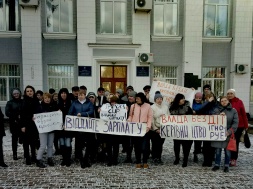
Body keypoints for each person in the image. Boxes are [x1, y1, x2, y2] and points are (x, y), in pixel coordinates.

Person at [211, 96, 238, 172]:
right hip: (218, 134)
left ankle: (226, 165)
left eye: (225, 100)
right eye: (222, 101)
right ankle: (217, 165)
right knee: (218, 150)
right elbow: (211, 119)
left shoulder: (233, 111)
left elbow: (235, 123)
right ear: (220, 102)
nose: (224, 102)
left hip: (227, 133)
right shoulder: (216, 110)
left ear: (228, 101)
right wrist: (218, 116)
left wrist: (229, 131)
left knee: (227, 151)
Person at [68, 90, 94, 168]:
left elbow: (91, 111)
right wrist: (74, 116)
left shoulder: (89, 103)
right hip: (78, 127)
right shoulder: (74, 103)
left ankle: (86, 158)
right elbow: (70, 113)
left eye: (82, 95)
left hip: (87, 126)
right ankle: (81, 160)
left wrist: (82, 114)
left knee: (89, 145)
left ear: (85, 95)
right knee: (79, 145)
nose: (80, 96)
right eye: (79, 95)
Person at [128, 92, 153, 169]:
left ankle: (145, 162)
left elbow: (150, 117)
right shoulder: (133, 106)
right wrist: (128, 122)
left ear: (142, 98)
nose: (136, 100)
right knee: (136, 146)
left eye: (138, 98)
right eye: (136, 98)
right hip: (135, 128)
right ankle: (138, 161)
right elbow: (130, 116)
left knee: (145, 146)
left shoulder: (148, 106)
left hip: (145, 128)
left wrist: (148, 126)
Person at [169, 93, 193, 167]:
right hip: (176, 129)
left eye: (184, 98)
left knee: (186, 146)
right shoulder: (172, 108)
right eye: (182, 98)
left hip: (185, 130)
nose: (183, 100)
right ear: (178, 100)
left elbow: (191, 118)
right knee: (176, 145)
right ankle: (177, 158)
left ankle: (185, 160)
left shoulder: (187, 108)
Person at [35, 93, 58, 168]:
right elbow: (36, 116)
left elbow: (57, 116)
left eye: (48, 98)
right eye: (45, 98)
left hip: (51, 129)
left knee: (50, 145)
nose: (47, 99)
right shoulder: (40, 107)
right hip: (43, 129)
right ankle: (38, 159)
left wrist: (59, 112)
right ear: (43, 99)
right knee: (43, 145)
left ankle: (49, 158)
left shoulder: (53, 106)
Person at [227, 89, 248, 166]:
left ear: (234, 94)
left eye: (231, 93)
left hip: (239, 125)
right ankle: (228, 157)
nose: (229, 95)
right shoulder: (225, 102)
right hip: (228, 125)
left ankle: (233, 159)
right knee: (228, 142)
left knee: (235, 143)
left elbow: (243, 114)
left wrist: (246, 126)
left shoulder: (239, 102)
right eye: (228, 93)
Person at [197, 92, 218, 167]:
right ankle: (205, 160)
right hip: (205, 128)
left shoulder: (216, 105)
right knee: (205, 146)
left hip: (213, 128)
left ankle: (210, 160)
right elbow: (200, 110)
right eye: (208, 97)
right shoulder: (204, 105)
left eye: (211, 97)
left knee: (212, 146)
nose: (210, 98)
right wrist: (207, 102)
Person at [20, 85, 40, 165]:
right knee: (26, 142)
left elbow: (39, 111)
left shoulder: (36, 100)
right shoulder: (23, 101)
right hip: (26, 124)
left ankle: (33, 157)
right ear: (25, 93)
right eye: (27, 91)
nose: (29, 92)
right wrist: (22, 126)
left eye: (31, 91)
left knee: (33, 142)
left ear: (33, 92)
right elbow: (22, 114)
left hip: (34, 125)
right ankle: (27, 158)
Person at [151, 91, 169, 165]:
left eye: (160, 98)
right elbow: (151, 119)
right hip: (155, 128)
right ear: (155, 100)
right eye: (158, 98)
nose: (159, 100)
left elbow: (169, 116)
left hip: (163, 128)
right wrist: (155, 128)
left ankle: (159, 157)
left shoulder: (165, 107)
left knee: (160, 144)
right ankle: (154, 157)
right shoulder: (152, 107)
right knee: (155, 144)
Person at [5, 88, 23, 160]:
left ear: (19, 94)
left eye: (17, 93)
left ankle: (26, 153)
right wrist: (15, 115)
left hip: (22, 123)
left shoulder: (23, 101)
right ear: (12, 95)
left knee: (23, 138)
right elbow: (7, 113)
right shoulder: (10, 102)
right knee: (14, 139)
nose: (16, 95)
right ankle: (14, 154)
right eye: (14, 94)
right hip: (14, 123)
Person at [58, 88, 73, 167]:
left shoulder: (71, 103)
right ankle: (64, 159)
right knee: (62, 143)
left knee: (68, 143)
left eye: (65, 93)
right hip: (60, 127)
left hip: (68, 127)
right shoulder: (57, 103)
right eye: (62, 93)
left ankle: (68, 159)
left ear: (67, 94)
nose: (63, 94)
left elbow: (72, 114)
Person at [123, 91, 137, 163]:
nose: (129, 97)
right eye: (129, 96)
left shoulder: (137, 105)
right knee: (128, 143)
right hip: (127, 126)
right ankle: (128, 157)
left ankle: (137, 157)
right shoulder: (126, 104)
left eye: (131, 96)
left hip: (135, 126)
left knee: (135, 142)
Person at [192, 92, 203, 163]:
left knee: (198, 141)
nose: (198, 99)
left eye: (199, 98)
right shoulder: (191, 103)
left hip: (200, 124)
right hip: (191, 124)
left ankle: (196, 153)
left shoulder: (203, 104)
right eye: (197, 98)